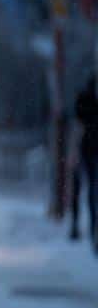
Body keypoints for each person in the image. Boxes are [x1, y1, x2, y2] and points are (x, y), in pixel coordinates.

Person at [71, 76, 98, 252]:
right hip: (89, 149)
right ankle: (92, 227)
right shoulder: (87, 96)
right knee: (91, 190)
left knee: (89, 190)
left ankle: (91, 227)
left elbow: (78, 118)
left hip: (87, 148)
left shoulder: (85, 96)